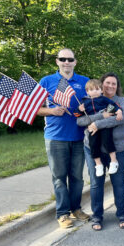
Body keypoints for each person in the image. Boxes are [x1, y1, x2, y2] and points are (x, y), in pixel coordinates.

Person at [38, 48, 90, 229]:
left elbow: (94, 105)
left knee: (77, 177)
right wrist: (51, 111)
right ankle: (62, 214)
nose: (66, 62)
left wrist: (87, 109)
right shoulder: (47, 81)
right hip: (55, 137)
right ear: (57, 62)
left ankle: (76, 209)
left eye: (70, 59)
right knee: (59, 177)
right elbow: (35, 108)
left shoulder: (84, 82)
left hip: (78, 137)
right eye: (63, 59)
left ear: (75, 62)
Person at [77, 73, 124, 231]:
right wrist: (99, 118)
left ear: (117, 86)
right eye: (107, 83)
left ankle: (122, 214)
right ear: (101, 85)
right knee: (96, 183)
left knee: (118, 183)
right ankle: (97, 216)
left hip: (117, 149)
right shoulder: (87, 102)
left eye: (114, 84)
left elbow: (123, 117)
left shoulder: (121, 101)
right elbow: (80, 120)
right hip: (93, 149)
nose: (110, 86)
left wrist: (97, 124)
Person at [76, 79, 123, 177]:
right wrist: (80, 110)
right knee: (93, 143)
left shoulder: (104, 99)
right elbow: (78, 116)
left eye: (98, 89)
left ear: (101, 90)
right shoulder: (84, 102)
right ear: (87, 91)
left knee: (107, 140)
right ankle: (98, 164)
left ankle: (114, 161)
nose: (95, 91)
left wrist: (119, 111)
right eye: (92, 89)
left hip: (104, 125)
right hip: (92, 127)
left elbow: (114, 106)